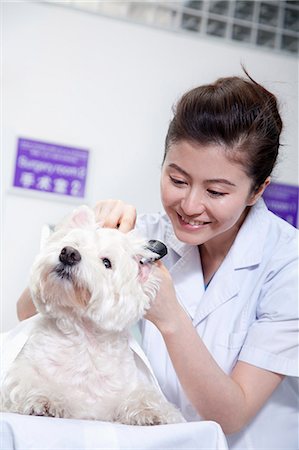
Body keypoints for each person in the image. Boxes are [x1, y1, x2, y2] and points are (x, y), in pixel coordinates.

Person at [17, 72, 298, 449]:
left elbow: (233, 414)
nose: (191, 206)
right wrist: (78, 239)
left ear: (257, 190)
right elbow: (28, 312)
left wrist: (170, 317)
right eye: (178, 180)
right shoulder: (145, 237)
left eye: (216, 191)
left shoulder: (288, 263)